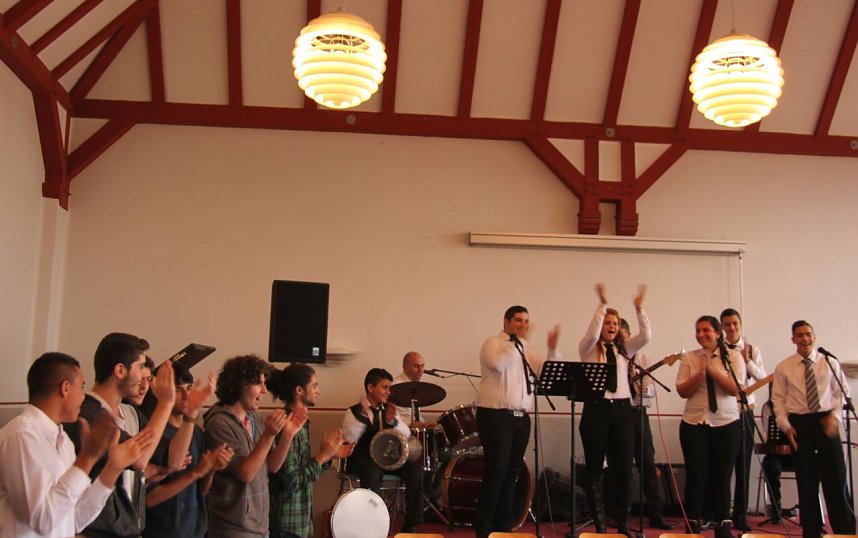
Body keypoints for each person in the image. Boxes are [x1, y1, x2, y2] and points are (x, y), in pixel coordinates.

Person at [0, 352, 151, 538]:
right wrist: (87, 458)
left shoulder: (62, 441)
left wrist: (112, 468)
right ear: (65, 388)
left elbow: (75, 519)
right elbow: (42, 521)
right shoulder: (22, 435)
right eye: (82, 387)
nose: (83, 397)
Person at [65, 332, 178, 538]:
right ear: (120, 370)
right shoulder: (89, 413)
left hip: (130, 530)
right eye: (141, 366)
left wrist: (188, 415)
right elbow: (139, 460)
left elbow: (173, 460)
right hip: (96, 531)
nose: (146, 375)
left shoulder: (131, 413)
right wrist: (165, 403)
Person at [475, 305, 560, 538]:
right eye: (518, 321)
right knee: (497, 469)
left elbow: (546, 373)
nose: (523, 325)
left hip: (521, 418)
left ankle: (504, 525)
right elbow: (498, 364)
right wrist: (519, 343)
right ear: (506, 322)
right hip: (495, 416)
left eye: (525, 321)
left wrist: (552, 349)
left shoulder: (525, 347)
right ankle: (484, 526)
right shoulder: (493, 343)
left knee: (513, 472)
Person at [204, 354, 306, 538]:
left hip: (258, 525)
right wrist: (268, 435)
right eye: (259, 384)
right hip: (232, 527)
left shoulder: (254, 418)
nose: (264, 391)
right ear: (241, 385)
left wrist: (287, 435)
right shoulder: (219, 423)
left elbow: (272, 466)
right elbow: (245, 473)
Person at [771, 320, 856, 538]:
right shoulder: (784, 367)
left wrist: (834, 418)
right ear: (793, 339)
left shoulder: (829, 362)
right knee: (806, 479)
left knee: (836, 477)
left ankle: (844, 530)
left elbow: (841, 394)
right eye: (799, 335)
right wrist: (786, 426)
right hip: (800, 424)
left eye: (808, 334)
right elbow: (778, 401)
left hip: (826, 421)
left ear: (814, 337)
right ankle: (811, 529)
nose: (805, 339)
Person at [578, 285, 649, 538]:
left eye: (615, 323)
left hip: (622, 411)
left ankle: (622, 523)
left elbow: (646, 336)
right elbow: (591, 333)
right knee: (595, 469)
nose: (611, 326)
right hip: (596, 411)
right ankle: (599, 524)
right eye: (608, 323)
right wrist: (602, 306)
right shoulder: (588, 349)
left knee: (623, 470)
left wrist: (640, 309)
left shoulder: (623, 350)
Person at [144, 362, 233, 538]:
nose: (186, 396)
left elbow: (200, 491)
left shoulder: (197, 432)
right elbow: (149, 499)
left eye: (189, 388)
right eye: (178, 390)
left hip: (196, 530)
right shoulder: (155, 434)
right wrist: (194, 474)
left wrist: (210, 470)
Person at [676, 315, 744, 538]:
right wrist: (699, 373)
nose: (701, 335)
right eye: (697, 330)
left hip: (726, 422)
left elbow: (735, 389)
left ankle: (722, 525)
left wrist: (712, 370)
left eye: (706, 330)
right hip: (694, 422)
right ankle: (693, 524)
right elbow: (683, 391)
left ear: (717, 333)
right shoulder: (689, 358)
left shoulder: (733, 356)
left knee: (722, 476)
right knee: (696, 475)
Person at [267, 363, 354, 538]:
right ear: (299, 390)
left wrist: (328, 456)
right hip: (286, 525)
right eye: (315, 385)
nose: (318, 391)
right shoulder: (286, 423)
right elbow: (290, 482)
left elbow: (303, 473)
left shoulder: (301, 422)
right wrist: (322, 456)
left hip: (300, 522)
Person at [341, 368, 423, 534]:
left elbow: (406, 433)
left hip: (388, 460)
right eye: (385, 387)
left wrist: (392, 421)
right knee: (372, 472)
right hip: (363, 460)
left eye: (389, 388)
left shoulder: (390, 409)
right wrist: (364, 420)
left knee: (415, 471)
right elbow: (349, 437)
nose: (388, 392)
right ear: (371, 388)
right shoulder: (354, 411)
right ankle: (374, 523)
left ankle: (411, 524)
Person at [619, 318, 673, 531]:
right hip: (620, 414)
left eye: (625, 336)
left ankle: (655, 512)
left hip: (639, 413)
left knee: (648, 465)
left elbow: (650, 391)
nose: (623, 340)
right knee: (620, 467)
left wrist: (645, 389)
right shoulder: (613, 358)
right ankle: (620, 512)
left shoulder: (642, 358)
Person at [720, 307, 768, 531]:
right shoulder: (717, 349)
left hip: (745, 411)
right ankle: (721, 513)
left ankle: (741, 513)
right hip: (723, 412)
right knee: (723, 464)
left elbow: (762, 377)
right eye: (727, 324)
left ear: (740, 325)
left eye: (734, 324)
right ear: (722, 326)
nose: (731, 328)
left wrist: (747, 361)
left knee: (744, 465)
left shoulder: (752, 349)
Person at [758, 396, 794, 524]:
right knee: (770, 465)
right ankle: (776, 507)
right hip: (777, 454)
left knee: (810, 465)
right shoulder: (768, 408)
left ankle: (809, 509)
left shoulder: (799, 404)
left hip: (797, 453)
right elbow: (766, 435)